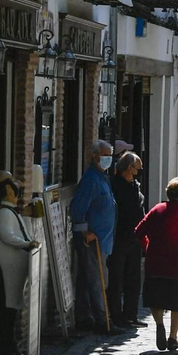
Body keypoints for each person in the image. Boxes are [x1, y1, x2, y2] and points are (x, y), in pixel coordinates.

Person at [136, 177, 178, 351]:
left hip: (156, 261)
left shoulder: (158, 209)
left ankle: (159, 324)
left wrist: (148, 246)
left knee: (156, 297)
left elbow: (139, 231)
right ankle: (173, 335)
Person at [0, 171, 39, 355]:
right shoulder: (4, 213)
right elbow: (7, 236)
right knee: (5, 312)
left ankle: (9, 352)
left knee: (11, 312)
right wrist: (27, 244)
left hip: (14, 273)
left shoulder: (12, 213)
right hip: (5, 271)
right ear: (8, 190)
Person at [68, 140, 118, 334]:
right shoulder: (90, 179)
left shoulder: (102, 178)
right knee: (97, 279)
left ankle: (83, 316)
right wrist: (84, 231)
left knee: (86, 278)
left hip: (103, 239)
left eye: (110, 156)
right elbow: (78, 208)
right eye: (106, 155)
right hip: (92, 240)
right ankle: (102, 320)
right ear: (95, 156)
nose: (109, 159)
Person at [107, 151, 147, 331]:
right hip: (119, 237)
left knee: (133, 277)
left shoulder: (135, 185)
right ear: (129, 169)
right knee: (116, 278)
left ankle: (131, 314)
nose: (140, 172)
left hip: (134, 238)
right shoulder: (115, 186)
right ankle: (115, 315)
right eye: (138, 169)